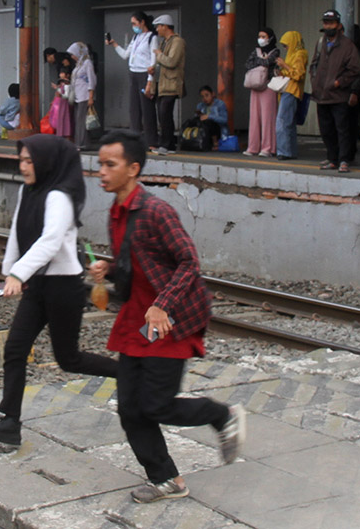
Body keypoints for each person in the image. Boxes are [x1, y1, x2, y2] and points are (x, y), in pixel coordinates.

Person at [88, 131, 244, 503]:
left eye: (111, 165)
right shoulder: (116, 212)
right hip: (137, 321)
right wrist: (110, 269)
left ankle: (222, 416)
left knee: (156, 405)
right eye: (100, 164)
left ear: (134, 169)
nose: (102, 172)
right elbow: (136, 261)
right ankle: (166, 479)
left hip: (166, 322)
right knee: (129, 408)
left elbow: (189, 262)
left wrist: (163, 305)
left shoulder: (157, 211)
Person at [0, 135, 118, 449]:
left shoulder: (60, 197)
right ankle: (10, 422)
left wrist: (18, 273)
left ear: (46, 162)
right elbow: (17, 229)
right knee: (15, 349)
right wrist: (10, 271)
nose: (23, 166)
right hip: (38, 284)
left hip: (63, 287)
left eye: (29, 160)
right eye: (21, 159)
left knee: (69, 359)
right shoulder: (30, 190)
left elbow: (51, 240)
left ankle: (130, 372)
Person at [309, 10, 360, 173]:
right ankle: (332, 158)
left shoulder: (348, 45)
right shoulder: (320, 43)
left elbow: (355, 70)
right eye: (326, 23)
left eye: (331, 23)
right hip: (321, 95)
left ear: (339, 25)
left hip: (339, 95)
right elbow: (313, 65)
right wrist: (314, 81)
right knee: (326, 130)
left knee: (343, 130)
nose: (328, 26)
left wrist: (339, 82)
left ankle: (344, 160)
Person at [107, 12, 159, 147]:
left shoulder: (151, 38)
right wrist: (114, 44)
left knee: (147, 109)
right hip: (133, 73)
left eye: (134, 23)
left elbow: (153, 62)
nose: (133, 26)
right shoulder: (136, 37)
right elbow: (125, 55)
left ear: (142, 22)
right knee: (134, 109)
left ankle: (151, 141)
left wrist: (150, 80)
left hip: (144, 74)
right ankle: (135, 141)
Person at [151, 14, 185, 155]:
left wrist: (158, 55)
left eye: (158, 26)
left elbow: (171, 62)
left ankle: (165, 145)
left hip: (171, 83)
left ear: (165, 26)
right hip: (162, 83)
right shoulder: (164, 41)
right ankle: (169, 145)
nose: (157, 30)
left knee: (165, 113)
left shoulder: (177, 42)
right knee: (164, 114)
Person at [243, 28, 280, 157]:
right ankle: (252, 147)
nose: (261, 39)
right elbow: (247, 64)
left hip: (268, 86)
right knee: (254, 117)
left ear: (270, 38)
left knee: (267, 118)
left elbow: (268, 62)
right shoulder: (256, 50)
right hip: (255, 86)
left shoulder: (275, 51)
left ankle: (267, 148)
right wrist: (262, 61)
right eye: (260, 36)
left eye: (264, 36)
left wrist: (259, 61)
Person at [273, 30, 307, 161]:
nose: (285, 48)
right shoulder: (291, 54)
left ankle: (284, 151)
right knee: (289, 123)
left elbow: (298, 74)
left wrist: (284, 65)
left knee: (282, 122)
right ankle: (290, 151)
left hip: (292, 90)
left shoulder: (300, 54)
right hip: (287, 90)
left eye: (286, 45)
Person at [68, 42, 97, 149]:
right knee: (79, 120)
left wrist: (91, 96)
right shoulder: (79, 64)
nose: (72, 56)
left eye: (73, 53)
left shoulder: (87, 63)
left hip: (84, 95)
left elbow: (92, 80)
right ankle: (82, 142)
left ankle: (81, 143)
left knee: (82, 120)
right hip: (78, 96)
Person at [48, 70, 74, 139]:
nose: (60, 74)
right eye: (60, 73)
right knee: (62, 119)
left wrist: (57, 89)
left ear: (67, 75)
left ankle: (67, 135)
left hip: (65, 103)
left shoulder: (67, 83)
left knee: (66, 119)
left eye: (62, 73)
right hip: (62, 103)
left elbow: (66, 95)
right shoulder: (62, 83)